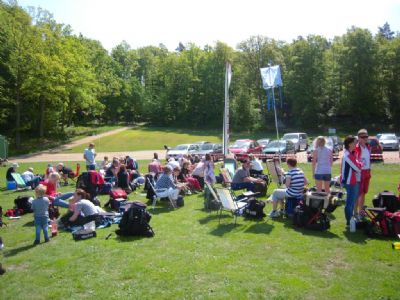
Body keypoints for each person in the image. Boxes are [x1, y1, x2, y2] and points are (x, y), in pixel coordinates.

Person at [341, 135, 361, 229]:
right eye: (354, 142)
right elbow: (357, 168)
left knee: (352, 202)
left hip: (353, 181)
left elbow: (357, 164)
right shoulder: (347, 155)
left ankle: (351, 220)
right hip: (350, 182)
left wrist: (358, 163)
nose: (356, 144)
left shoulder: (352, 153)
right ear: (349, 144)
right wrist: (360, 163)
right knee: (349, 203)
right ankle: (349, 222)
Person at [355, 129, 372, 219]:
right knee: (358, 193)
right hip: (360, 172)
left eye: (366, 136)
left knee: (364, 192)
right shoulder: (356, 147)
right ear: (359, 138)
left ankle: (361, 211)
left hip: (367, 171)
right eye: (363, 137)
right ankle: (356, 213)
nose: (365, 138)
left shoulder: (368, 147)